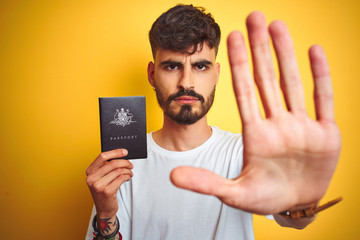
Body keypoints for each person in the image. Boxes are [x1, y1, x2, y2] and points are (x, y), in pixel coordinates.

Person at [85, 4, 341, 240]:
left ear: (216, 74)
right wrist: (105, 214)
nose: (186, 82)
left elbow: (293, 221)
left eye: (201, 66)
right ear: (152, 75)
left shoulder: (247, 152)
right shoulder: (124, 163)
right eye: (172, 66)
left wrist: (299, 203)